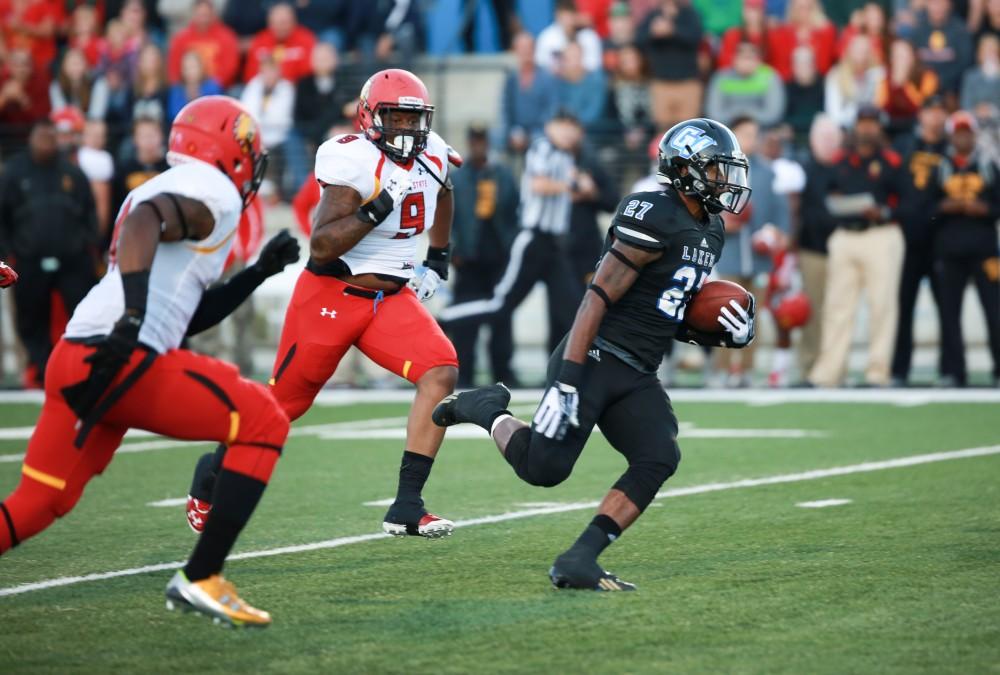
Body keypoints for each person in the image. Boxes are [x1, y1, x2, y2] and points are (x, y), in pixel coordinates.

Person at [0, 96, 302, 627]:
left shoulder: (164, 184)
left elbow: (184, 311)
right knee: (264, 419)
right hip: (120, 354)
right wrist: (135, 316)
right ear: (227, 151)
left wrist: (256, 273)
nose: (253, 164)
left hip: (76, 354)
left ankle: (201, 576)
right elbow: (147, 220)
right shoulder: (211, 193)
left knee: (39, 502)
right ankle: (202, 576)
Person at [432, 118, 755, 591]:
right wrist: (566, 378)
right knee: (544, 469)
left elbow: (671, 308)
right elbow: (597, 296)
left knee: (658, 455)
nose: (725, 180)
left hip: (639, 368)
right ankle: (485, 410)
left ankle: (580, 558)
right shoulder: (654, 210)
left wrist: (723, 333)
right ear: (686, 168)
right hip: (597, 355)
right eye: (715, 168)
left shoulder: (711, 229)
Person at [185, 70, 462, 539]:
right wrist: (376, 208)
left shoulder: (431, 150)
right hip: (332, 294)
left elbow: (445, 192)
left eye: (414, 120)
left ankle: (407, 505)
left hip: (390, 297)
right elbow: (321, 246)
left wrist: (438, 257)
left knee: (441, 370)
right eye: (395, 117)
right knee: (282, 409)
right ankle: (210, 473)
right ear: (371, 117)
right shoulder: (349, 158)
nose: (406, 130)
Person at [438, 111, 587, 357]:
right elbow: (539, 184)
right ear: (553, 126)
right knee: (499, 306)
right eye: (566, 127)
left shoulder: (566, 156)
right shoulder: (542, 147)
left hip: (553, 243)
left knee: (572, 309)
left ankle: (570, 373)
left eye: (574, 128)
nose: (571, 134)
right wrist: (573, 184)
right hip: (533, 240)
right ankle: (445, 317)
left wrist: (581, 184)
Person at [809, 105, 905, 387]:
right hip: (845, 235)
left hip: (881, 234)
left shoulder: (892, 161)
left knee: (881, 306)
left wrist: (885, 212)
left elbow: (909, 202)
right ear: (855, 127)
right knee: (838, 307)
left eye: (872, 123)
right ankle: (829, 373)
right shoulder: (841, 160)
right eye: (862, 123)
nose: (867, 128)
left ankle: (877, 372)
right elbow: (824, 197)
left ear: (880, 127)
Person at [0, 119, 98, 387]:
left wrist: (88, 245)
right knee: (31, 316)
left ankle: (82, 367)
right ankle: (39, 369)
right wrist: (7, 253)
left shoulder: (72, 172)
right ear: (31, 139)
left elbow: (89, 212)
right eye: (40, 136)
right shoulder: (14, 172)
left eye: (50, 136)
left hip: (71, 259)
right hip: (28, 258)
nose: (45, 142)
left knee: (82, 311)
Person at [448, 125, 520, 388]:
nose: (478, 146)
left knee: (501, 320)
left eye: (482, 142)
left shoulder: (502, 176)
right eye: (474, 141)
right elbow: (447, 217)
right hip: (468, 260)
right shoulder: (458, 178)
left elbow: (515, 211)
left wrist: (511, 245)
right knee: (465, 321)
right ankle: (464, 373)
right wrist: (452, 250)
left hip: (498, 258)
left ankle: (503, 372)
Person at [932, 111, 1000, 387]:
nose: (962, 137)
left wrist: (984, 210)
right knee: (949, 312)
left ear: (973, 134)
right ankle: (954, 371)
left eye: (966, 132)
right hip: (950, 249)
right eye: (958, 132)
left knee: (994, 310)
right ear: (951, 136)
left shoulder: (987, 165)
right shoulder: (941, 167)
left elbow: (997, 205)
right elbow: (926, 208)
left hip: (984, 249)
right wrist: (943, 208)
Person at [890, 95, 948, 385]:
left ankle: (950, 368)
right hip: (909, 237)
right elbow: (891, 181)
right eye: (931, 111)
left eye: (940, 112)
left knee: (947, 307)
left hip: (942, 239)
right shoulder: (904, 145)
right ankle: (900, 369)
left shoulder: (950, 147)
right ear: (921, 114)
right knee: (904, 307)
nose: (935, 117)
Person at [794, 114, 841, 380]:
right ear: (812, 140)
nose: (828, 142)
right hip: (811, 249)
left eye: (832, 137)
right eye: (823, 137)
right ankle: (809, 365)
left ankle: (834, 367)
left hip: (842, 249)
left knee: (837, 312)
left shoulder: (844, 167)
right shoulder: (803, 169)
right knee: (811, 311)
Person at [636, 0, 704, 128]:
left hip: (688, 83)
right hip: (661, 83)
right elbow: (639, 40)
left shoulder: (689, 14)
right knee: (663, 132)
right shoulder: (653, 15)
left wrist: (673, 30)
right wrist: (653, 31)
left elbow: (696, 37)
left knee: (688, 129)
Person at [498, 31, 559, 155]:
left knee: (542, 138)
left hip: (539, 130)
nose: (526, 52)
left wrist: (529, 136)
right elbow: (505, 110)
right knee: (496, 137)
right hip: (517, 130)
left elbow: (551, 110)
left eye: (528, 48)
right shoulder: (511, 79)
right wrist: (513, 132)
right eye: (522, 48)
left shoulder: (547, 78)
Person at [705, 40, 786, 128]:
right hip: (728, 130)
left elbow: (773, 114)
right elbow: (714, 113)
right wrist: (740, 118)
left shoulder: (769, 77)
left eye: (750, 57)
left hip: (761, 130)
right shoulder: (721, 77)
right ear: (734, 59)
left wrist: (743, 117)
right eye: (742, 57)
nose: (746, 62)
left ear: (758, 60)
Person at [166, 0, 241, 90]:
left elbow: (230, 68)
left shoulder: (227, 37)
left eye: (206, 15)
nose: (203, 19)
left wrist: (210, 86)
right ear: (193, 14)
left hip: (219, 89)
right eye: (200, 15)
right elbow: (174, 70)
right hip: (186, 89)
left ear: (213, 14)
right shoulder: (180, 39)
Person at [908, 0, 973, 100]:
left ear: (949, 5)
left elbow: (965, 63)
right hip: (922, 91)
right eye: (933, 3)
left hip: (952, 92)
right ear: (926, 5)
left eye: (941, 2)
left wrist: (940, 82)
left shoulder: (960, 30)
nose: (937, 7)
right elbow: (912, 62)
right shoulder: (918, 30)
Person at [243, 2, 317, 83]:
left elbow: (309, 73)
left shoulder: (306, 39)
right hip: (264, 89)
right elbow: (250, 74)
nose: (280, 27)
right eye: (276, 23)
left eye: (284, 23)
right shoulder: (260, 40)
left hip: (297, 90)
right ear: (269, 23)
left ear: (294, 21)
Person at [535, 0, 604, 73]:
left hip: (584, 79)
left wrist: (573, 67)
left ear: (576, 15)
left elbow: (594, 65)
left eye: (570, 15)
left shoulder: (589, 36)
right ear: (557, 16)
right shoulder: (547, 37)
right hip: (556, 80)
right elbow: (540, 64)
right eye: (563, 16)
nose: (567, 20)